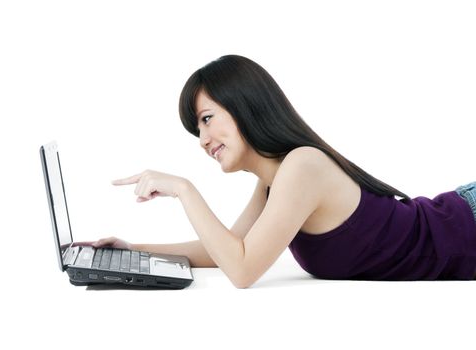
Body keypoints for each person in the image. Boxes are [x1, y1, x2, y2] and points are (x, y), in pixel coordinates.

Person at [89, 55, 476, 288]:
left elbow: (241, 271)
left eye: (207, 119)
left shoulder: (302, 166)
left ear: (245, 106)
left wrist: (185, 189)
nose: (203, 139)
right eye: (197, 129)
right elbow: (226, 250)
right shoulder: (274, 180)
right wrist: (132, 251)